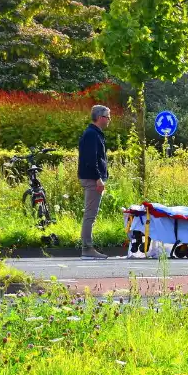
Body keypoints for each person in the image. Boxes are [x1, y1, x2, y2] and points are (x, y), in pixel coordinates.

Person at [78, 105, 111, 260]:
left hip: (93, 177)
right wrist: (98, 178)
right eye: (108, 117)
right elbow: (91, 159)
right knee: (90, 215)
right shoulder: (92, 134)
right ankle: (87, 248)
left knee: (90, 214)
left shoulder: (94, 133)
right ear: (100, 117)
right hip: (92, 178)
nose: (109, 120)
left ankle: (87, 247)